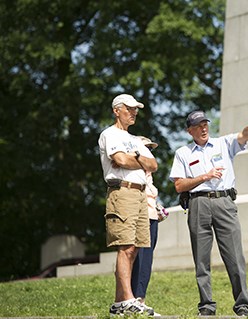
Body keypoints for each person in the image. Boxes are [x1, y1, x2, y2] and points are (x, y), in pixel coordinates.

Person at [169, 111, 248, 317]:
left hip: (224, 202)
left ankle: (242, 305)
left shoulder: (223, 144)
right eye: (198, 126)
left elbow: (243, 135)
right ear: (190, 131)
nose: (204, 128)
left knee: (234, 256)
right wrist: (204, 176)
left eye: (205, 124)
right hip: (198, 204)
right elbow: (179, 185)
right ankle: (206, 306)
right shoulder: (183, 153)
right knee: (201, 259)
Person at [98, 94, 158, 316]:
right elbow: (120, 161)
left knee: (134, 248)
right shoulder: (109, 134)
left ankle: (119, 303)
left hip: (141, 195)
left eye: (136, 109)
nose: (134, 112)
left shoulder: (134, 139)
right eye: (129, 109)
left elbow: (153, 164)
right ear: (116, 110)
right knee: (126, 246)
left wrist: (136, 158)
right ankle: (129, 300)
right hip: (122, 191)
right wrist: (138, 160)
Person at [130, 136, 165, 316]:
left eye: (150, 148)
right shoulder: (133, 171)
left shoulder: (148, 173)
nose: (148, 151)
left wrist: (158, 208)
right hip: (139, 216)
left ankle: (141, 299)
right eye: (145, 148)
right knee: (138, 259)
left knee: (147, 261)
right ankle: (132, 299)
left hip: (152, 216)